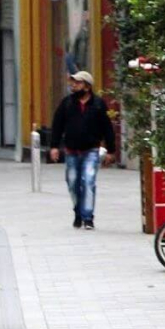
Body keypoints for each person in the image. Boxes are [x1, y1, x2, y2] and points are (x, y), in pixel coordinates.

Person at [49, 70, 116, 230]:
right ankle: (78, 212)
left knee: (88, 181)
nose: (74, 86)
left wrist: (111, 150)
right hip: (71, 151)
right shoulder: (66, 103)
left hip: (91, 150)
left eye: (78, 83)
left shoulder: (98, 105)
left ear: (87, 86)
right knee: (72, 183)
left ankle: (87, 217)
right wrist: (54, 146)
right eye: (73, 83)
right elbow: (57, 125)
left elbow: (107, 128)